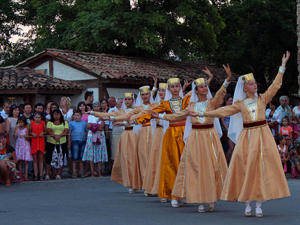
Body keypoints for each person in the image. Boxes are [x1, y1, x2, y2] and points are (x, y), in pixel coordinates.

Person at [192, 51, 291, 217]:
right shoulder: (240, 104)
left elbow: (275, 86)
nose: (255, 86)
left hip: (263, 136)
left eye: (255, 84)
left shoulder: (262, 99)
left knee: (261, 168)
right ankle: (247, 202)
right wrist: (203, 114)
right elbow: (223, 111)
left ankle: (259, 203)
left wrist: (282, 66)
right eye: (251, 84)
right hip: (247, 136)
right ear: (244, 88)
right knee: (247, 168)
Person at [155, 65, 231, 212]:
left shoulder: (211, 103)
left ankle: (211, 198)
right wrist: (160, 116)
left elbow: (220, 95)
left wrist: (227, 80)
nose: (204, 88)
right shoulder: (191, 105)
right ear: (196, 91)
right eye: (201, 87)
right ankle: (200, 199)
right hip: (196, 138)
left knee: (212, 167)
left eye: (205, 86)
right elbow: (179, 115)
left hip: (209, 136)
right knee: (197, 167)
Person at [133, 77, 191, 207]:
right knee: (172, 163)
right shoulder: (165, 104)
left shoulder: (186, 100)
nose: (175, 89)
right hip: (171, 134)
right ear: (169, 89)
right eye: (173, 87)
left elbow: (201, 92)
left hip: (185, 134)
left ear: (180, 88)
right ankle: (173, 195)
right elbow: (152, 113)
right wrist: (138, 120)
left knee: (186, 163)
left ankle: (185, 192)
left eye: (177, 86)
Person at [91, 93, 142, 193]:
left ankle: (138, 182)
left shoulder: (137, 110)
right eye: (126, 99)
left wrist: (122, 123)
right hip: (126, 135)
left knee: (136, 159)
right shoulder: (120, 111)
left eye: (129, 99)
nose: (127, 101)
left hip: (135, 135)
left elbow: (137, 120)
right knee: (126, 159)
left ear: (133, 100)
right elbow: (108, 115)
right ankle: (130, 183)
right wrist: (93, 113)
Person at [143, 83, 167, 196]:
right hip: (158, 132)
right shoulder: (155, 105)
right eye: (160, 91)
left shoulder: (170, 104)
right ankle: (153, 185)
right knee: (155, 158)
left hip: (167, 132)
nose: (161, 92)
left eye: (164, 90)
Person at [82, 102, 108, 177]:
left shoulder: (102, 115)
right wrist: (96, 125)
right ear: (93, 107)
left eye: (97, 106)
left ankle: (99, 172)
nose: (96, 108)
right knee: (91, 155)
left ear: (99, 107)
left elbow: (101, 127)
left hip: (100, 136)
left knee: (99, 155)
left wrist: (94, 126)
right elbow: (88, 126)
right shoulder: (90, 116)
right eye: (95, 106)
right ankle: (92, 172)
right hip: (91, 136)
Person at [45, 109, 69, 180]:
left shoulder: (65, 122)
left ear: (60, 115)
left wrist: (59, 136)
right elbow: (49, 130)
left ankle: (59, 174)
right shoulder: (49, 122)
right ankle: (48, 174)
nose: (56, 116)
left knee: (61, 158)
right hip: (51, 142)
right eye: (55, 114)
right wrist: (55, 136)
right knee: (49, 158)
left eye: (58, 114)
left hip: (62, 143)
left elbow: (66, 131)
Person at [68, 111, 87, 178]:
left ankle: (81, 172)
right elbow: (69, 134)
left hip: (82, 141)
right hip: (74, 141)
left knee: (81, 158)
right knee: (75, 157)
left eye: (78, 115)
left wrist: (86, 140)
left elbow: (86, 132)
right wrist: (69, 142)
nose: (76, 117)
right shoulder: (71, 123)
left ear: (81, 116)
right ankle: (74, 172)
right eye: (75, 115)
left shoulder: (84, 123)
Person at [14, 117, 32, 181]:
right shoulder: (17, 128)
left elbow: (28, 138)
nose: (20, 124)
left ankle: (26, 175)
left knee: (26, 162)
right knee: (20, 161)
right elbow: (15, 136)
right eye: (19, 122)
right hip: (19, 145)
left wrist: (24, 136)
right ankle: (21, 175)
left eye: (22, 122)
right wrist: (17, 128)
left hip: (25, 145)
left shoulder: (26, 129)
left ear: (24, 123)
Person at [30, 112, 45, 181]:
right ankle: (36, 175)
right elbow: (29, 132)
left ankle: (41, 174)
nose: (37, 119)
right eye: (36, 117)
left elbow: (46, 131)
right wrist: (32, 133)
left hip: (41, 142)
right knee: (35, 159)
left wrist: (43, 133)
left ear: (41, 118)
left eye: (39, 117)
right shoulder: (31, 123)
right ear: (34, 118)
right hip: (34, 142)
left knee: (41, 159)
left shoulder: (43, 123)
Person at [220, 94, 235, 164]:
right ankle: (226, 163)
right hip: (226, 130)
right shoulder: (224, 109)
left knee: (233, 149)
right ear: (226, 101)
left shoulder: (233, 109)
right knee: (230, 148)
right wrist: (227, 128)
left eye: (232, 100)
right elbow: (222, 120)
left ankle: (230, 163)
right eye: (229, 101)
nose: (231, 102)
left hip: (233, 129)